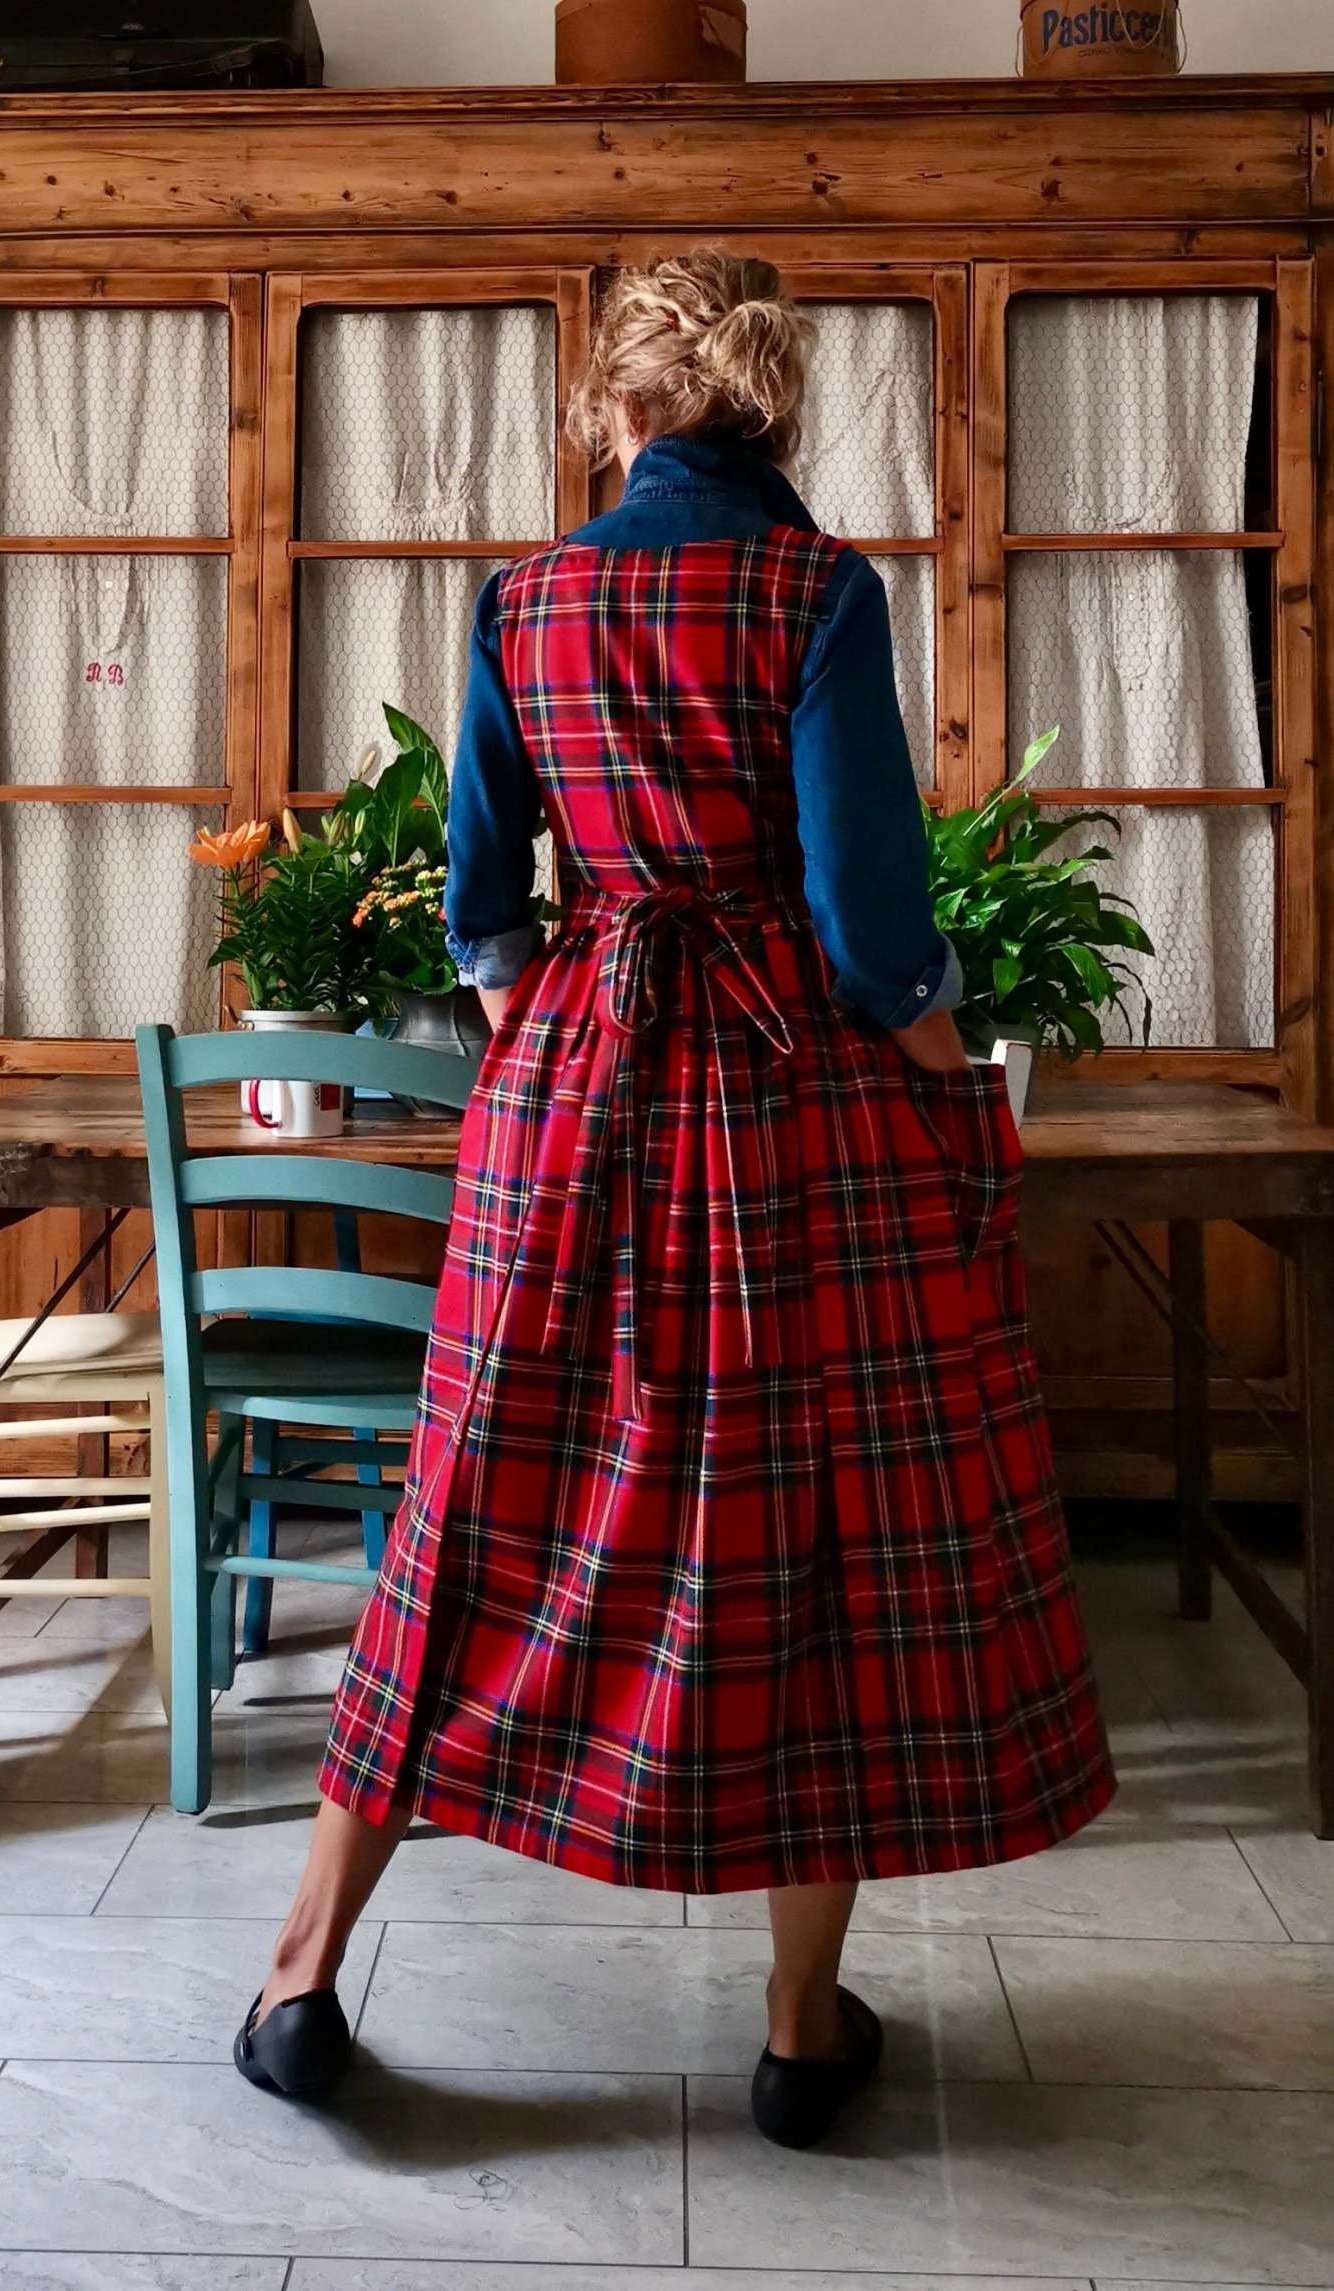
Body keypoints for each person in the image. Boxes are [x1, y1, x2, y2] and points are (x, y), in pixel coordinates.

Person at [236, 249, 1115, 2149]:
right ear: (770, 410)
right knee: (815, 1525)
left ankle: (301, 1975)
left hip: (572, 1086)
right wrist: (947, 1079)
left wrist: (561, 1040)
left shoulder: (525, 596)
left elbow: (482, 908)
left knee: (474, 1502)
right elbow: (872, 934)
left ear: (616, 408)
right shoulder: (816, 589)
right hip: (795, 1112)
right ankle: (798, 2030)